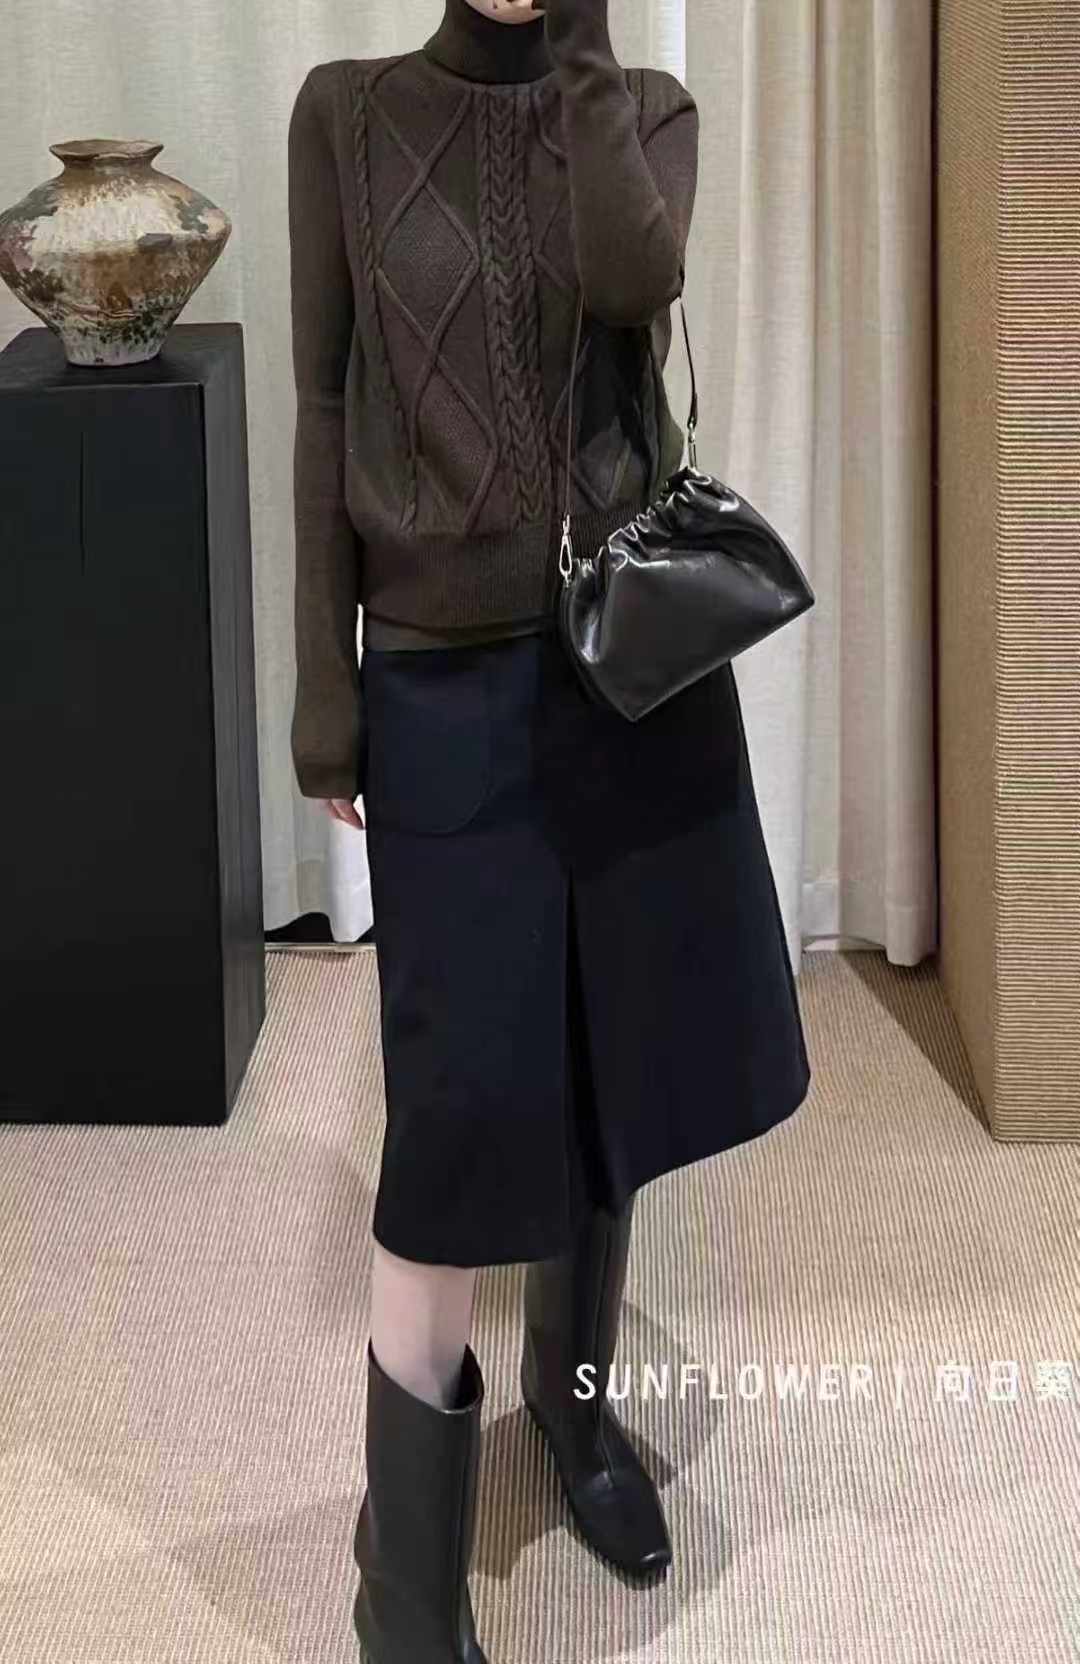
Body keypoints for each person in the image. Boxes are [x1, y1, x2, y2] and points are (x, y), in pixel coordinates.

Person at [286, 0, 812, 1655]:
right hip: (437, 681)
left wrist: (576, 44)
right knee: (452, 1125)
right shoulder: (343, 115)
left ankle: (571, 1418)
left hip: (625, 674)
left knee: (610, 1063)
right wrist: (324, 689)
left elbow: (633, 279)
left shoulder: (642, 106)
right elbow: (322, 407)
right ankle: (405, 1592)